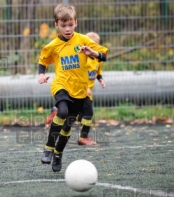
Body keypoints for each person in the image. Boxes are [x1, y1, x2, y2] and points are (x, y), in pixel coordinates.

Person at [38, 4, 108, 172]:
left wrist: (94, 53)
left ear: (76, 23)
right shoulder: (54, 45)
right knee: (61, 112)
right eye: (63, 25)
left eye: (70, 25)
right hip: (61, 85)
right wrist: (41, 74)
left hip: (80, 90)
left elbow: (103, 55)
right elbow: (43, 61)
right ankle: (48, 147)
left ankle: (58, 153)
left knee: (68, 126)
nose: (67, 29)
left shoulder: (83, 40)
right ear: (56, 25)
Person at [45, 32, 106, 146]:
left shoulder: (97, 59)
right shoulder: (83, 57)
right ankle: (83, 137)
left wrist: (100, 79)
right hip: (80, 90)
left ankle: (58, 112)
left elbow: (98, 71)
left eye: (95, 45)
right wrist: (86, 87)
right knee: (88, 112)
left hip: (86, 92)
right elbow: (77, 72)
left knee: (78, 116)